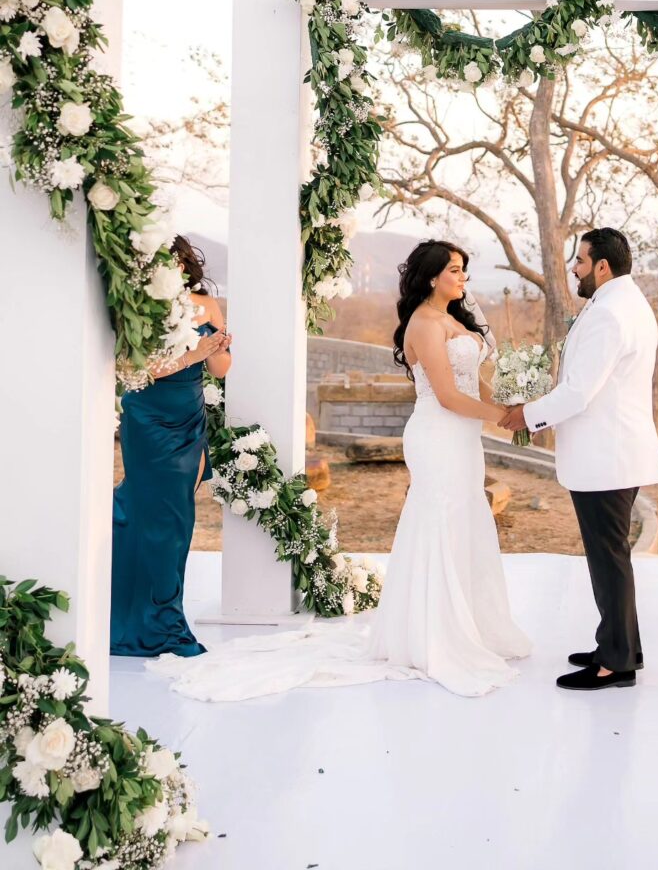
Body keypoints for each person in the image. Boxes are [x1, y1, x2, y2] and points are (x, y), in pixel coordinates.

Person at [149, 240, 530, 700]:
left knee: (466, 520)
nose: (462, 276)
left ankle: (474, 626)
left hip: (465, 440)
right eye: (454, 269)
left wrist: (510, 404)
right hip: (439, 434)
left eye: (464, 269)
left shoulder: (455, 320)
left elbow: (475, 381)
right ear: (432, 277)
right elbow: (447, 395)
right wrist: (503, 418)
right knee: (440, 523)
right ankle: (433, 635)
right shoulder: (425, 323)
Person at [500, 228, 658, 691]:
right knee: (608, 558)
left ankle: (616, 663)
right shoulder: (621, 303)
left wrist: (526, 416)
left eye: (580, 260)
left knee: (609, 559)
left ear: (602, 267)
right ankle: (615, 645)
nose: (574, 267)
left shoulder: (612, 314)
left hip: (606, 457)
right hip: (610, 454)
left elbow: (578, 391)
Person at [110, 236, 232, 657]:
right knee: (150, 511)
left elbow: (220, 367)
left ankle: (156, 611)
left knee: (177, 516)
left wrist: (217, 347)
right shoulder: (139, 306)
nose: (175, 269)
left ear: (187, 264)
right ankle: (157, 622)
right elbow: (135, 370)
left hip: (189, 413)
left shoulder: (207, 303)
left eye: (179, 260)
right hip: (147, 416)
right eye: (165, 262)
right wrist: (193, 353)